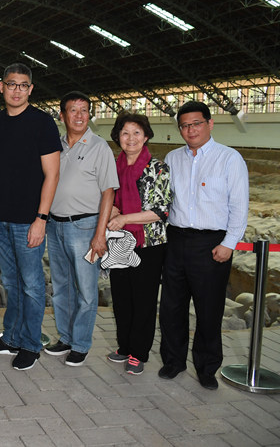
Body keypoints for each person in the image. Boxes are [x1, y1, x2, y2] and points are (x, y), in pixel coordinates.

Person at [0, 63, 61, 371]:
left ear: (31, 89)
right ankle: (10, 337)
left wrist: (41, 218)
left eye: (23, 85)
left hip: (29, 221)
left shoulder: (43, 123)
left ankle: (29, 344)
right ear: (1, 87)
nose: (17, 90)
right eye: (11, 84)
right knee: (11, 283)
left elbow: (52, 175)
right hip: (0, 220)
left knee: (32, 285)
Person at [159, 101, 249, 390]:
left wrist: (228, 243)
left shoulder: (229, 159)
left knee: (209, 309)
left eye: (196, 123)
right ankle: (173, 361)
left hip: (212, 244)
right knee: (172, 306)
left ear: (210, 124)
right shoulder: (172, 159)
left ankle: (207, 367)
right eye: (184, 125)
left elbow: (239, 205)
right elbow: (163, 202)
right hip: (176, 239)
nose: (190, 130)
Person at [43, 92, 118, 367]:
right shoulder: (55, 145)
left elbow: (108, 192)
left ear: (90, 115)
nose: (78, 115)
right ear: (62, 115)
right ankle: (65, 337)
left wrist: (100, 235)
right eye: (73, 110)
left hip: (85, 226)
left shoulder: (99, 147)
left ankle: (81, 343)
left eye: (84, 110)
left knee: (86, 290)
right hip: (55, 226)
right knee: (62, 288)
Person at [105, 112, 171, 375]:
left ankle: (139, 352)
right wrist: (111, 212)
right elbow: (107, 197)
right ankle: (124, 346)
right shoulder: (114, 165)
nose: (130, 138)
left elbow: (160, 210)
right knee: (121, 297)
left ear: (145, 136)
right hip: (121, 241)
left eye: (136, 133)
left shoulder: (157, 168)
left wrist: (123, 218)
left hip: (148, 244)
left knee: (143, 299)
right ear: (118, 137)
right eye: (124, 133)